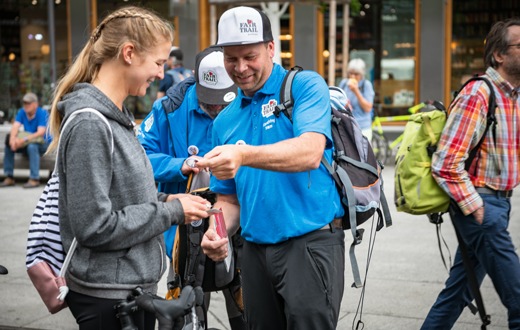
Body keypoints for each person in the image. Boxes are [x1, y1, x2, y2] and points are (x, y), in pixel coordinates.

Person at [46, 6, 212, 330]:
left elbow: (121, 199)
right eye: (159, 62)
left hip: (124, 290)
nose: (162, 74)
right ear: (129, 53)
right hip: (109, 295)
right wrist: (172, 211)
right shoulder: (91, 125)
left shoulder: (113, 117)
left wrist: (168, 202)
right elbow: (94, 226)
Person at [195, 6, 345, 330]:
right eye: (231, 59)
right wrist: (217, 233)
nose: (241, 67)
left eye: (250, 56)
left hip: (309, 242)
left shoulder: (304, 86)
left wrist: (244, 155)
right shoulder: (224, 120)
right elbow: (229, 200)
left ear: (271, 48)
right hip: (254, 254)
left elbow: (310, 151)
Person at [137, 46, 246, 330]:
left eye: (223, 103)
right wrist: (180, 164)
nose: (217, 110)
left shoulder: (248, 101)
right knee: (188, 310)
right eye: (210, 103)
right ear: (196, 81)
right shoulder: (168, 108)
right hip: (187, 227)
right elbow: (138, 157)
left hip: (240, 219)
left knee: (246, 306)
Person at [422, 18, 520, 329]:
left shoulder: (513, 97)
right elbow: (446, 162)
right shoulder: (479, 93)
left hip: (499, 205)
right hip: (481, 206)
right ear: (499, 55)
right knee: (518, 300)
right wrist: (478, 209)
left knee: (457, 294)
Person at [0, 92, 51, 188]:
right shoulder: (22, 112)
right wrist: (12, 140)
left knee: (32, 146)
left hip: (43, 144)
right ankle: (9, 177)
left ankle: (34, 179)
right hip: (28, 142)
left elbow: (40, 133)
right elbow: (15, 127)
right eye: (25, 103)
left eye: (29, 103)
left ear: (35, 104)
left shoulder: (42, 113)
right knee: (9, 146)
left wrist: (22, 140)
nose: (26, 106)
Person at [339, 58, 375, 141]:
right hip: (346, 126)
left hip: (362, 127)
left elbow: (368, 108)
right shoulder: (344, 83)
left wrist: (356, 91)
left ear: (362, 74)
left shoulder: (366, 85)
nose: (352, 76)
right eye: (350, 73)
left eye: (356, 74)